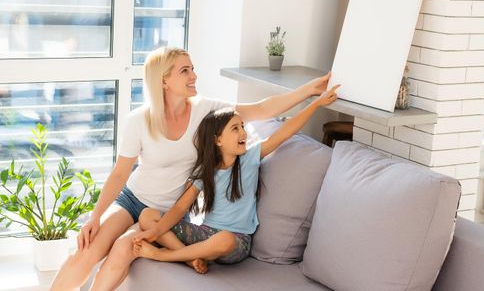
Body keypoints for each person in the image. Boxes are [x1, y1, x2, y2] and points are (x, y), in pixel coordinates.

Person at [50, 47, 332, 291]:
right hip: (133, 198)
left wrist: (309, 90)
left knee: (123, 249)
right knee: (87, 251)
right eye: (185, 71)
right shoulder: (138, 120)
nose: (194, 76)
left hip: (167, 211)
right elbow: (120, 173)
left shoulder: (205, 110)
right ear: (164, 80)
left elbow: (261, 109)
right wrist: (95, 217)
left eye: (193, 69)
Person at [131, 84, 339, 273]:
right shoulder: (205, 170)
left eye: (243, 127)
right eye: (235, 128)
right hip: (205, 234)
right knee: (147, 215)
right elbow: (179, 208)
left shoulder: (250, 157)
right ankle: (191, 259)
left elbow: (285, 131)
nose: (243, 133)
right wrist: (156, 230)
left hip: (235, 242)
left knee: (224, 239)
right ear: (218, 140)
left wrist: (317, 104)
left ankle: (165, 255)